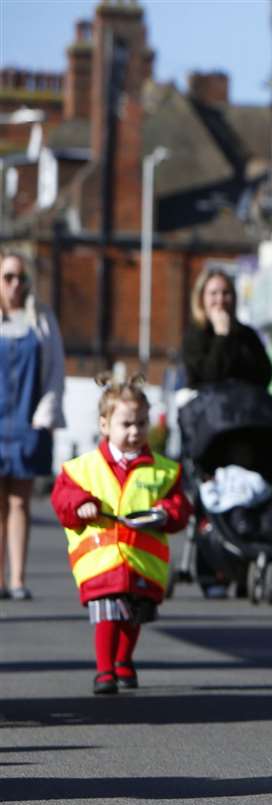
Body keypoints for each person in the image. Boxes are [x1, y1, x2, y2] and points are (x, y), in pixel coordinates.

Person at [50, 375, 192, 694]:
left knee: (134, 616)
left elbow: (180, 505)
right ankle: (104, 670)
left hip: (142, 561)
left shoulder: (163, 470)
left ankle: (124, 660)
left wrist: (167, 512)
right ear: (104, 425)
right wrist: (81, 504)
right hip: (102, 561)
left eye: (141, 424)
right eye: (126, 424)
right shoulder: (82, 468)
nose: (134, 432)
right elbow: (63, 497)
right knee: (107, 615)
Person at [0, 250, 66, 601]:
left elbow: (55, 370)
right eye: (8, 277)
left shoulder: (41, 319)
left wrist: (45, 415)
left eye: (20, 278)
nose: (15, 284)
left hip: (28, 421)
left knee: (19, 502)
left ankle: (17, 578)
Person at [180, 270, 272, 389]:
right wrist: (222, 336)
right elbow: (209, 376)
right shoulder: (194, 335)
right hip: (208, 404)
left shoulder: (246, 334)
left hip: (244, 402)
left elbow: (265, 375)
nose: (220, 300)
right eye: (213, 293)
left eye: (226, 293)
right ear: (201, 298)